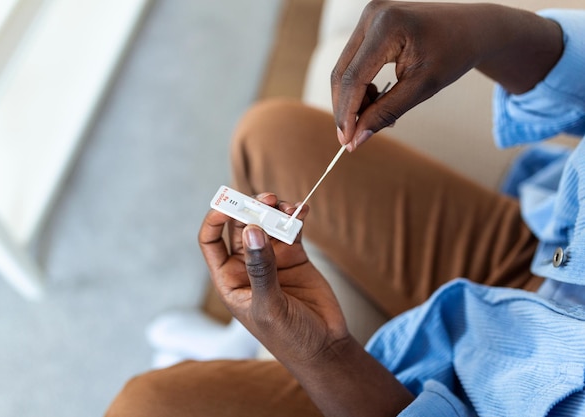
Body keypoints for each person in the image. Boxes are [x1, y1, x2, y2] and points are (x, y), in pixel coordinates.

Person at [105, 2, 585, 416]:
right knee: (272, 135)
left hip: (476, 396)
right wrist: (492, 32)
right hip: (555, 256)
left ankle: (265, 341)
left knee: (144, 406)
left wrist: (323, 354)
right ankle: (248, 337)